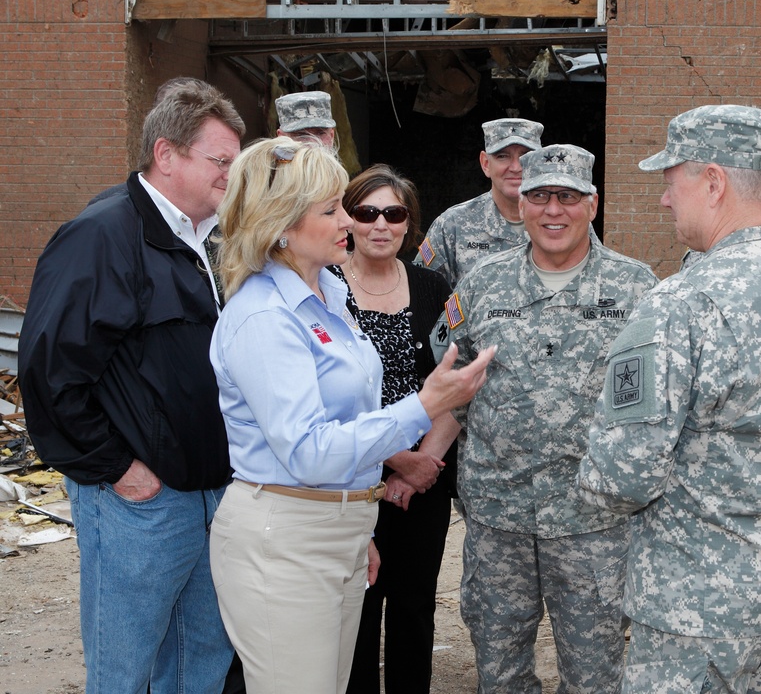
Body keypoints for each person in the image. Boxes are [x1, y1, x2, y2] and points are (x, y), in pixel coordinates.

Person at [578, 104, 761, 692]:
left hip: (696, 615)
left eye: (671, 181)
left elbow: (621, 476)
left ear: (712, 182)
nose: (665, 200)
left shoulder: (677, 306)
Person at [207, 137, 495, 694]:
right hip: (286, 537)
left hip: (335, 524)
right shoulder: (265, 317)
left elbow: (346, 420)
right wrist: (424, 405)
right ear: (281, 225)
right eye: (333, 209)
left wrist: (352, 521)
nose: (350, 221)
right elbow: (309, 451)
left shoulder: (329, 296)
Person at [18, 78, 246, 693]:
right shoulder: (101, 236)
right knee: (127, 668)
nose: (231, 175)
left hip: (210, 493)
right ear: (165, 155)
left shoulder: (210, 243)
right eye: (220, 161)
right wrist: (115, 467)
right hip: (140, 502)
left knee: (202, 658)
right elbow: (48, 373)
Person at [431, 144, 657, 694]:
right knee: (500, 665)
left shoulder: (637, 290)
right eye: (539, 196)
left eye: (568, 196)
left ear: (593, 204)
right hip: (498, 516)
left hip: (593, 521)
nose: (553, 210)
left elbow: (651, 408)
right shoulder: (482, 285)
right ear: (521, 201)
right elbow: (451, 386)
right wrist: (425, 459)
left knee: (594, 670)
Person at [331, 164, 458, 694]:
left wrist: (421, 464)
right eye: (367, 212)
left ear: (410, 224)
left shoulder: (435, 287)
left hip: (424, 480)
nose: (380, 224)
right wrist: (391, 460)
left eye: (394, 213)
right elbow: (325, 399)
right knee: (355, 612)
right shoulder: (324, 288)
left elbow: (453, 383)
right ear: (349, 220)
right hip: (351, 477)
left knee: (414, 610)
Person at [415, 117, 544, 288]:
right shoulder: (452, 225)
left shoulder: (564, 222)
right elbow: (422, 293)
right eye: (502, 156)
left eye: (525, 156)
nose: (515, 167)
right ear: (485, 164)